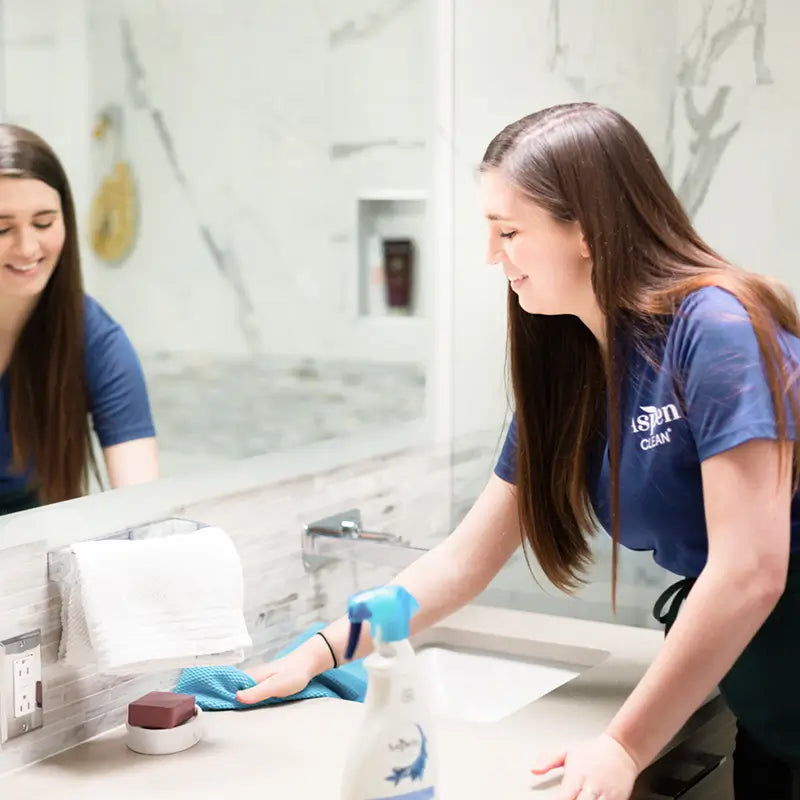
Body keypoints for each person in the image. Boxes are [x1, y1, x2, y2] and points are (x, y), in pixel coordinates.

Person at [237, 103, 800, 800]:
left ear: (586, 230)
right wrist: (323, 649)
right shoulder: (577, 364)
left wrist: (624, 745)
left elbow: (752, 570)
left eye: (509, 232)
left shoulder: (715, 328)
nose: (491, 256)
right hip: (766, 699)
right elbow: (465, 559)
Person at [0, 124, 158, 516]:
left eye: (44, 223)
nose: (27, 248)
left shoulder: (96, 341)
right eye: (2, 228)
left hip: (29, 546)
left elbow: (142, 506)